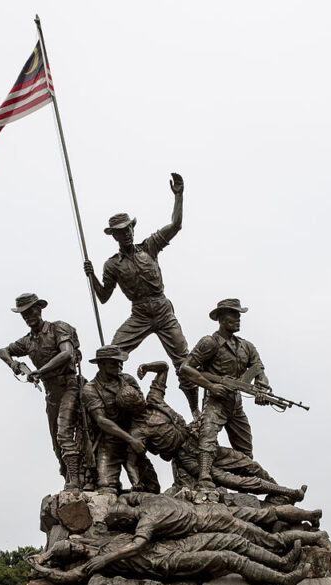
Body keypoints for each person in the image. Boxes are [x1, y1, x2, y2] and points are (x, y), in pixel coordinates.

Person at [84, 172, 200, 416]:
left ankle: (195, 412)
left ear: (132, 229)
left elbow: (176, 225)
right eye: (120, 231)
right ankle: (112, 401)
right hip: (139, 314)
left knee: (184, 363)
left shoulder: (150, 247)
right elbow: (104, 297)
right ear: (114, 236)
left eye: (128, 229)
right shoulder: (112, 265)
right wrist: (92, 276)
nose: (126, 233)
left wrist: (179, 195)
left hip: (162, 310)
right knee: (112, 352)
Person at [117, 361, 307, 502]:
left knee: (247, 463)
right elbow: (131, 462)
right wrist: (135, 483)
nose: (140, 400)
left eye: (138, 396)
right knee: (233, 481)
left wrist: (147, 367)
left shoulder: (154, 399)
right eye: (135, 402)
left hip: (197, 440)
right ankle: (289, 492)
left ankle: (279, 493)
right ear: (130, 409)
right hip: (186, 458)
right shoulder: (137, 431)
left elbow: (164, 368)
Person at [181, 298, 271, 488]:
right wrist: (211, 386)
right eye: (234, 314)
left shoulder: (247, 347)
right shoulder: (209, 343)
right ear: (221, 318)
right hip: (216, 401)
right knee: (207, 436)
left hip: (235, 404)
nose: (238, 318)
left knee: (245, 448)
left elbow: (259, 371)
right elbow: (186, 368)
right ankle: (204, 477)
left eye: (239, 315)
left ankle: (248, 487)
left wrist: (261, 388)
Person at [0, 293, 83, 491]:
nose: (28, 316)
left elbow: (67, 354)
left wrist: (41, 371)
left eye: (30, 311)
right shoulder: (28, 341)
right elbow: (2, 351)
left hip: (70, 387)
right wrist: (14, 364)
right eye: (24, 314)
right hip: (52, 393)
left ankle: (76, 481)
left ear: (39, 309)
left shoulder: (57, 328)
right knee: (56, 443)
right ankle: (67, 478)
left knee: (64, 434)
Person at [28, 532, 309, 585]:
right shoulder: (94, 563)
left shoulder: (102, 540)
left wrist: (46, 553)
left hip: (174, 544)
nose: (76, 544)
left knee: (232, 540)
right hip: (170, 563)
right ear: (74, 554)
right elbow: (67, 578)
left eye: (73, 542)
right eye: (72, 547)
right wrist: (42, 567)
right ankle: (284, 579)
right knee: (228, 558)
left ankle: (282, 562)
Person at [105, 492, 325, 554]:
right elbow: (127, 498)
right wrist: (118, 503)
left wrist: (106, 558)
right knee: (270, 514)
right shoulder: (148, 500)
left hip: (216, 524)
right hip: (215, 509)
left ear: (125, 521)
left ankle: (316, 537)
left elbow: (136, 546)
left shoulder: (146, 522)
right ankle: (309, 514)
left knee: (271, 542)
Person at [80, 345, 158, 494]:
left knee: (152, 487)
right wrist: (130, 440)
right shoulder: (90, 389)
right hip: (110, 444)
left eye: (120, 362)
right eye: (114, 363)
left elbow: (142, 407)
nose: (119, 366)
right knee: (106, 487)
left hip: (135, 438)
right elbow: (102, 421)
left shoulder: (128, 380)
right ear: (101, 364)